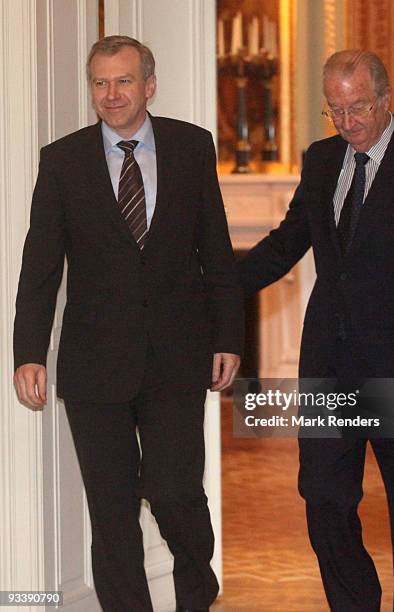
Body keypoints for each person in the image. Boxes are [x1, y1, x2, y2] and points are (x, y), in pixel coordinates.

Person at [13, 35, 243, 612]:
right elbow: (40, 266)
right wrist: (28, 351)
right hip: (95, 367)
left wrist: (228, 337)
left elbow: (215, 251)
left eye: (123, 81)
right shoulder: (62, 160)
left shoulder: (192, 148)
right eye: (100, 83)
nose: (111, 95)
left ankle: (198, 595)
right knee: (111, 511)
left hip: (177, 359)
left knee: (174, 491)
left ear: (149, 85)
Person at [238, 50, 394, 611]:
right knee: (322, 498)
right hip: (331, 366)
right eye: (336, 111)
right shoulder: (321, 161)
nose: (348, 122)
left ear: (385, 99)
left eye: (359, 107)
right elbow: (287, 242)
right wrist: (214, 282)